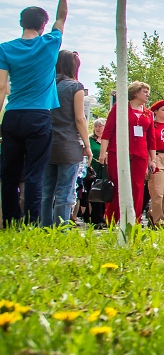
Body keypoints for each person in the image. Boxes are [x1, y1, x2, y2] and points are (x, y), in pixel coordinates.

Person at [0, 0, 69, 225]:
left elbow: (0, 86)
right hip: (38, 116)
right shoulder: (50, 43)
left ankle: (9, 221)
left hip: (13, 114)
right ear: (43, 26)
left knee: (8, 173)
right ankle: (30, 222)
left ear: (21, 23)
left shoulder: (5, 48)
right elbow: (62, 17)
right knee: (34, 173)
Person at [40, 50, 88, 226]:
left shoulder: (46, 85)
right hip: (68, 143)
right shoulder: (76, 87)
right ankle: (61, 228)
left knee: (46, 190)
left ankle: (44, 227)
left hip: (46, 142)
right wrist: (87, 146)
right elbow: (79, 118)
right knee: (65, 190)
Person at [100, 82, 155, 224]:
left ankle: (133, 220)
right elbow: (108, 130)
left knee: (137, 187)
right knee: (117, 184)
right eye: (144, 91)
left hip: (140, 154)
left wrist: (152, 159)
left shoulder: (148, 113)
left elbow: (151, 138)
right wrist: (102, 152)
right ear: (135, 92)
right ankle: (112, 219)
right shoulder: (120, 107)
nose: (147, 94)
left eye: (148, 91)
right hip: (117, 152)